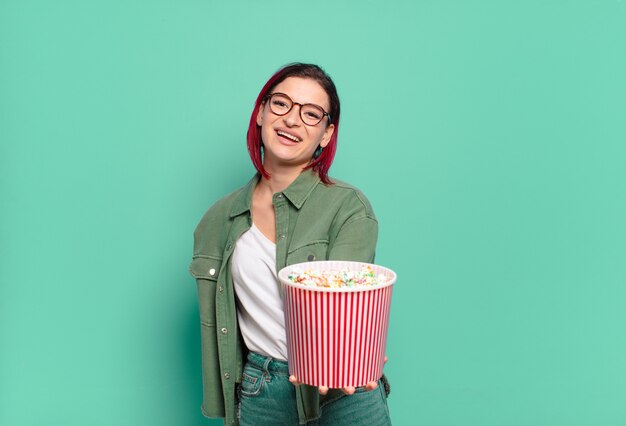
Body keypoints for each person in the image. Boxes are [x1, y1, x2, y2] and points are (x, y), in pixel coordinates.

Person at [190, 63, 391, 425]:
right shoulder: (217, 220)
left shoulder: (348, 207)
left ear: (326, 134)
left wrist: (355, 352)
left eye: (311, 114)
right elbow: (218, 326)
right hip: (263, 391)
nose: (292, 120)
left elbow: (346, 306)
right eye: (281, 104)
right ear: (261, 113)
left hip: (345, 391)